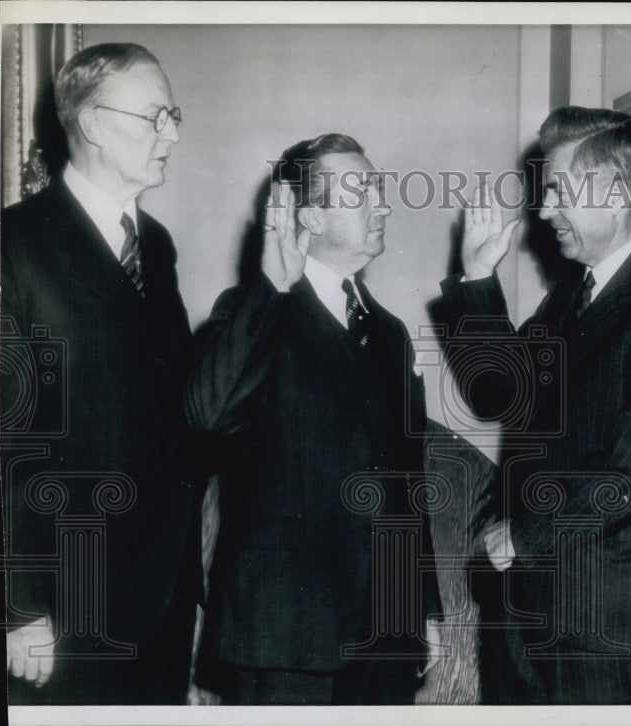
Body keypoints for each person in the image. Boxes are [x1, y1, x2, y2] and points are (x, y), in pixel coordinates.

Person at [438, 106, 631, 704]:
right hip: (528, 612)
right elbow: (499, 391)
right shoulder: (575, 291)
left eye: (559, 192)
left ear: (617, 193)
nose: (544, 211)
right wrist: (475, 277)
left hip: (607, 627)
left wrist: (522, 535)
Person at [185, 134, 442, 705]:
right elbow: (208, 415)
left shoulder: (392, 333)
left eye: (378, 189)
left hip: (386, 638)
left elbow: (407, 482)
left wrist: (422, 607)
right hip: (285, 641)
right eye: (361, 194)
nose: (382, 205)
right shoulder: (253, 310)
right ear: (311, 218)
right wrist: (272, 286)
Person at [1, 43, 202, 704]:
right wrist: (16, 606)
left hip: (161, 596)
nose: (172, 132)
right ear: (91, 125)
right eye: (155, 116)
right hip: (62, 605)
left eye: (173, 114)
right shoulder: (14, 244)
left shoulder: (159, 247)